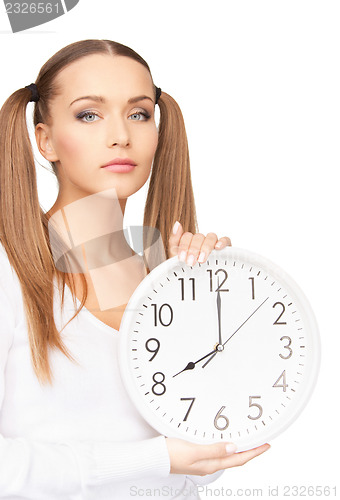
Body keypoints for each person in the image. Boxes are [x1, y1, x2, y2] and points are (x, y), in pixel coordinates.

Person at [0, 39, 270, 499]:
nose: (120, 135)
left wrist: (207, 302)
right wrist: (155, 458)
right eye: (90, 114)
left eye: (139, 113)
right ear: (44, 139)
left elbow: (203, 462)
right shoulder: (10, 272)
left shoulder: (167, 279)